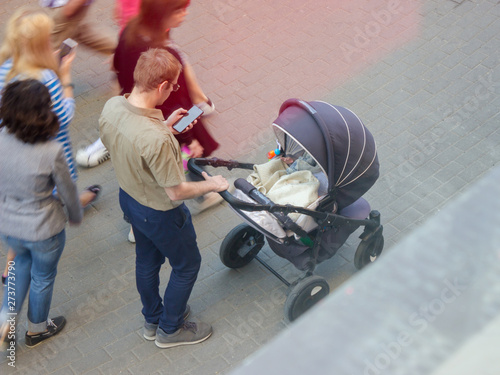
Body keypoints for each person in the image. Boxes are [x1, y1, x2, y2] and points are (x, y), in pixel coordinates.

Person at [99, 48, 228, 348]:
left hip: (130, 200)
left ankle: (152, 318)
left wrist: (165, 126)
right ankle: (171, 328)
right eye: (174, 86)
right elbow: (176, 191)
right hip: (160, 213)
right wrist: (213, 185)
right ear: (162, 87)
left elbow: (123, 142)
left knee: (146, 260)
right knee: (187, 265)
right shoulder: (157, 140)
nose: (174, 90)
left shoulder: (113, 106)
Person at [0, 8, 100, 287]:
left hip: (13, 158)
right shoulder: (46, 78)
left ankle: (10, 281)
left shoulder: (4, 69)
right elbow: (63, 118)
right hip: (48, 158)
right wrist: (65, 77)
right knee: (42, 267)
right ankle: (15, 274)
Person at [79, 0, 216, 169]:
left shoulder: (131, 30)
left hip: (136, 108)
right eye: (179, 10)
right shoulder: (165, 57)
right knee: (190, 157)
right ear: (161, 15)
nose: (185, 13)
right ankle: (204, 187)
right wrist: (190, 139)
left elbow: (118, 67)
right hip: (166, 121)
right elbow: (175, 104)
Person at [0, 79, 83, 348]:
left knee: (19, 266)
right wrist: (75, 215)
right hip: (44, 228)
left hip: (9, 224)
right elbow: (67, 190)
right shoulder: (51, 151)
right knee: (43, 277)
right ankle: (37, 329)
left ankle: (4, 320)